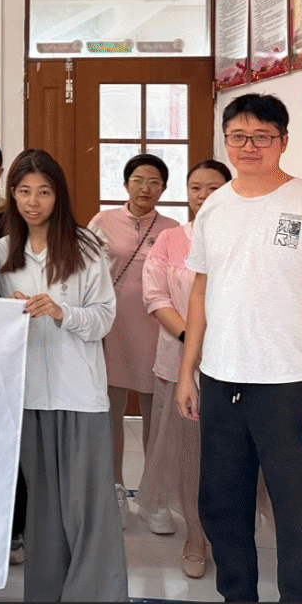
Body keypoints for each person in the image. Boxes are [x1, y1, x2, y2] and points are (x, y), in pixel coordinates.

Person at [177, 93, 302, 602]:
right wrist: (188, 371)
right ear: (226, 141)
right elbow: (200, 291)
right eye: (238, 136)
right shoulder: (215, 206)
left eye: (262, 136)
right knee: (222, 509)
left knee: (299, 519)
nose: (249, 146)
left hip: (289, 385)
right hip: (221, 380)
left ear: (283, 141)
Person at [0, 149, 127, 602]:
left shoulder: (85, 245)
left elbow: (104, 318)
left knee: (89, 509)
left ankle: (96, 595)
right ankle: (46, 594)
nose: (33, 202)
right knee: (44, 510)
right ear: (13, 194)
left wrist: (61, 312)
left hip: (80, 394)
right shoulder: (3, 251)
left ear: (59, 196)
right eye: (24, 191)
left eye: (44, 192)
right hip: (29, 395)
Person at [137, 159, 231, 579]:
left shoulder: (245, 236)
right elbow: (155, 297)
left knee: (230, 457)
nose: (204, 196)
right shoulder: (171, 239)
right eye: (196, 188)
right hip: (180, 366)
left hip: (237, 365)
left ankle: (228, 535)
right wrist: (192, 340)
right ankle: (195, 536)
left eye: (214, 188)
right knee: (190, 457)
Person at [88, 153, 179, 523]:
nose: (146, 188)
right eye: (139, 179)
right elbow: (86, 271)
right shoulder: (102, 221)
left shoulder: (172, 228)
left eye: (154, 182)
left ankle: (154, 496)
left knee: (154, 414)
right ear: (126, 183)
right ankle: (114, 489)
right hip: (111, 325)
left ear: (164, 188)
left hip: (155, 327)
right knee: (110, 411)